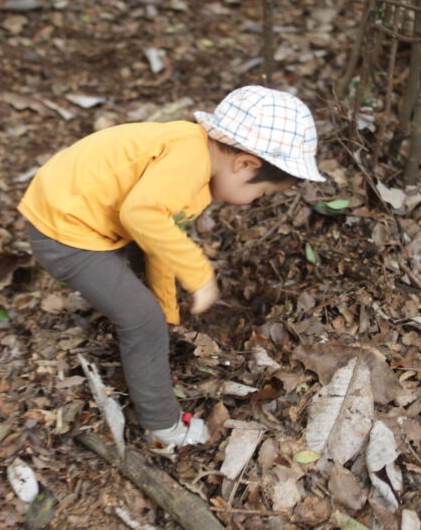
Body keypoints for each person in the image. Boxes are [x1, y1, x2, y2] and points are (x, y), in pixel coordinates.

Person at [18, 85, 325, 453]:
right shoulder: (189, 160)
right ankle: (163, 425)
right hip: (66, 232)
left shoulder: (197, 161)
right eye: (260, 194)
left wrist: (168, 307)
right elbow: (141, 215)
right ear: (245, 163)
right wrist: (198, 275)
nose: (252, 202)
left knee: (150, 307)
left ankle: (143, 314)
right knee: (141, 320)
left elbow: (159, 238)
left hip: (79, 211)